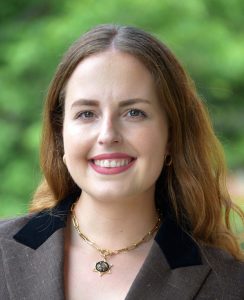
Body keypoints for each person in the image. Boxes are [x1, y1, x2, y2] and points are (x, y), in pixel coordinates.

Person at [0, 24, 243, 300]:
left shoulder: (231, 285)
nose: (108, 135)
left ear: (172, 136)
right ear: (60, 134)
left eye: (134, 113)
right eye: (87, 114)